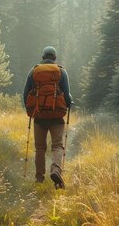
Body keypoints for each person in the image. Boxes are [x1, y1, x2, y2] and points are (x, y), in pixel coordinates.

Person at [23, 46, 72, 189]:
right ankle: (56, 171)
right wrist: (69, 103)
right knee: (57, 146)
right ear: (55, 58)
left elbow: (25, 95)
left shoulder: (34, 72)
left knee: (40, 148)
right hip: (56, 116)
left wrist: (30, 110)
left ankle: (39, 178)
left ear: (43, 57)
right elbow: (67, 95)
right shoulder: (61, 72)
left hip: (39, 116)